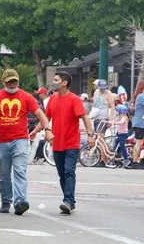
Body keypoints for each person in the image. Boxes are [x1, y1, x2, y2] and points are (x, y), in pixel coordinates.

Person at [0, 69, 51, 215]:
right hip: (1, 141)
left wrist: (47, 130)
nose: (12, 85)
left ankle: (20, 201)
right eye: (9, 82)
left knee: (20, 171)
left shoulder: (26, 97)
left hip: (20, 140)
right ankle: (6, 201)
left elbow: (40, 114)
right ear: (3, 82)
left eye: (15, 82)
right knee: (4, 174)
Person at [31, 71, 95, 215]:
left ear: (64, 83)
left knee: (68, 171)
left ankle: (68, 201)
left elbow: (85, 118)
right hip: (56, 143)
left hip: (71, 143)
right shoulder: (52, 99)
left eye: (56, 80)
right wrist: (35, 132)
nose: (53, 82)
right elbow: (45, 119)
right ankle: (69, 201)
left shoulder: (74, 100)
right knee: (62, 174)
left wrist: (91, 135)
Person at [127, 80, 144, 169]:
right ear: (143, 87)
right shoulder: (141, 96)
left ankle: (143, 158)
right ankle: (134, 161)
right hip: (139, 122)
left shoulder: (143, 96)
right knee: (139, 141)